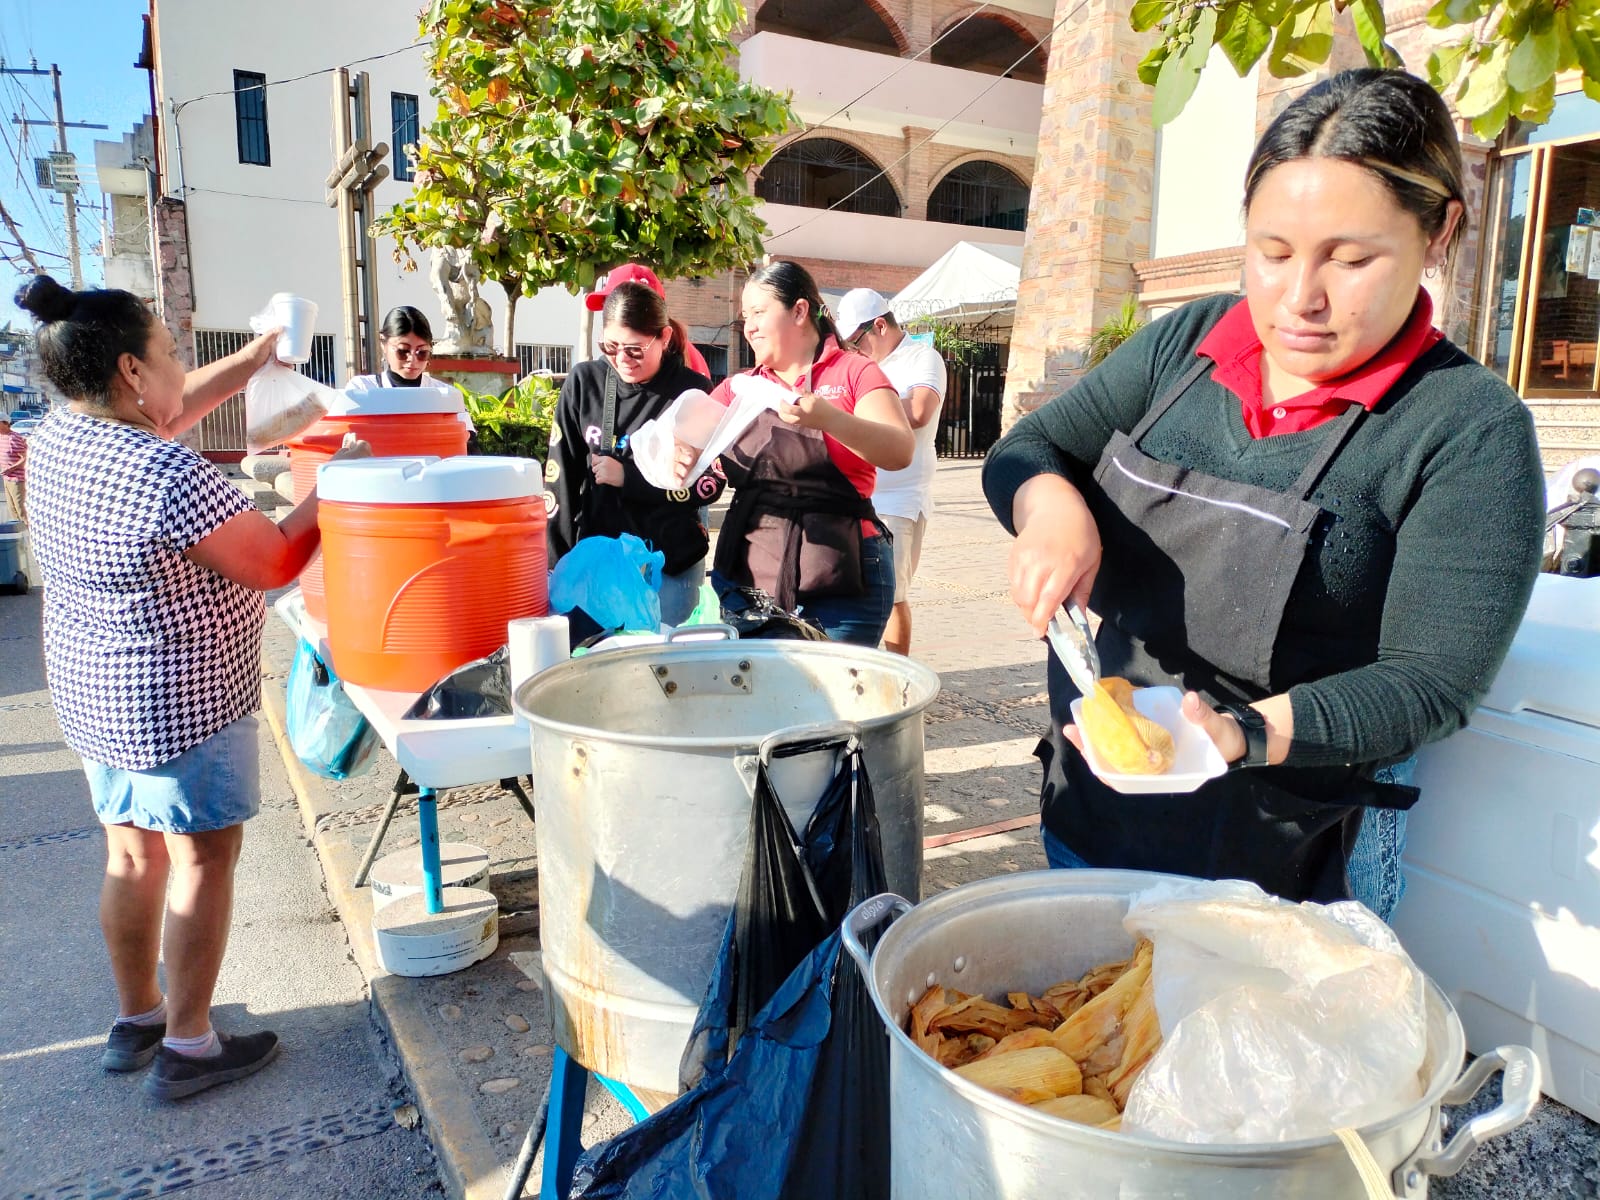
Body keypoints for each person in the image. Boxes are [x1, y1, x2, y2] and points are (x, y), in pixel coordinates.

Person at [982, 69, 1545, 914]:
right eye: (1271, 253)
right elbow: (1033, 445)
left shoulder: (1467, 428)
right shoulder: (1187, 343)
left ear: (1442, 233)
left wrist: (1241, 733)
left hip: (1286, 858)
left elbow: (1433, 682)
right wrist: (1050, 506)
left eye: (1351, 260)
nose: (1300, 298)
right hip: (1096, 810)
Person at [15, 275, 370, 1100]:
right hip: (181, 699)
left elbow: (168, 414)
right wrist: (340, 480)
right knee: (203, 857)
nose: (183, 364)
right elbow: (277, 558)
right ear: (134, 372)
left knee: (130, 852)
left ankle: (138, 1016)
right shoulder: (169, 475)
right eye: (172, 350)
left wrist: (253, 362)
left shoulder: (58, 439)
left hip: (94, 692)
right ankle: (190, 1044)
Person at [681, 261, 913, 646]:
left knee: (834, 703)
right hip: (750, 579)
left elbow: (899, 450)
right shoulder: (739, 388)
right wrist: (681, 457)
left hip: (844, 577)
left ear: (800, 311)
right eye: (745, 316)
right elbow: (685, 442)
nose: (748, 326)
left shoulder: (854, 372)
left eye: (759, 312)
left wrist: (829, 419)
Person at [546, 280, 723, 626]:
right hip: (600, 559)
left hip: (669, 560)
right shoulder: (585, 382)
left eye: (635, 349)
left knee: (667, 668)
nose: (622, 359)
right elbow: (560, 480)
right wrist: (558, 564)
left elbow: (709, 486)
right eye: (611, 346)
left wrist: (630, 478)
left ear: (665, 338)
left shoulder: (692, 392)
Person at [834, 289, 946, 655]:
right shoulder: (864, 365)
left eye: (856, 341)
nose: (852, 350)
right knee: (857, 591)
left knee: (892, 594)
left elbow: (918, 412)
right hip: (858, 495)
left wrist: (855, 404)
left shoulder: (922, 357)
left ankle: (899, 676)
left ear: (879, 326)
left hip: (899, 498)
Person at [346, 305, 475, 435]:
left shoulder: (446, 396)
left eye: (422, 352)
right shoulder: (362, 389)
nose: (412, 359)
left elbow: (468, 446)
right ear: (383, 344)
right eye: (403, 351)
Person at [588, 265, 713, 380]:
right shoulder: (589, 379)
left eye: (634, 348)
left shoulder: (688, 369)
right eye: (608, 303)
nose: (614, 312)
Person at [0, 414, 25, 524]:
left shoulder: (14, 438)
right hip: (7, 478)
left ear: (5, 423)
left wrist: (11, 468)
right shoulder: (1, 437)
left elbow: (25, 457)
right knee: (12, 510)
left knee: (21, 511)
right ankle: (19, 536)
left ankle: (29, 536)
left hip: (17, 480)